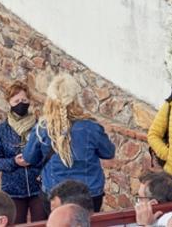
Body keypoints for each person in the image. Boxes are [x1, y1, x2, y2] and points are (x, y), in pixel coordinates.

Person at [23, 73, 116, 212]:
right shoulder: (91, 127)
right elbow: (108, 153)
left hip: (55, 194)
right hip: (89, 193)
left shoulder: (42, 129)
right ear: (75, 100)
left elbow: (29, 157)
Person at [0, 82, 47, 223]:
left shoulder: (39, 126)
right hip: (13, 190)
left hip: (38, 186)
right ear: (9, 102)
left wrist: (32, 159)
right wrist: (14, 161)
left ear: (29, 101)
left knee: (41, 223)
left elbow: (48, 154)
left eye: (24, 100)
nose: (20, 104)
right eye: (16, 101)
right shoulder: (2, 129)